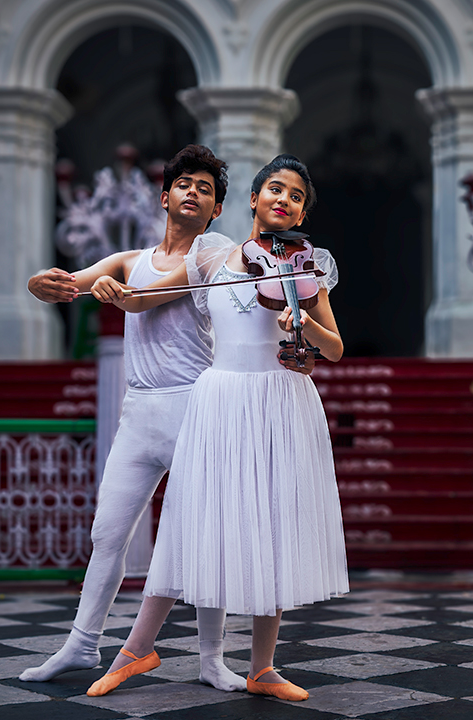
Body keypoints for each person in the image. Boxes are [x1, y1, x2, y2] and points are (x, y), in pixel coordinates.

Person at [20, 145, 312, 691]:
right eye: (184, 184)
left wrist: (116, 294)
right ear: (164, 196)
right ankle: (81, 645)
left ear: (217, 209)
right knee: (108, 532)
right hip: (138, 411)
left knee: (200, 533)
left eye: (205, 188)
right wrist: (44, 283)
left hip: (195, 408)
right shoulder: (128, 259)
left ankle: (211, 659)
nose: (193, 192)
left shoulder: (215, 253)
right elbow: (69, 282)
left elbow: (139, 299)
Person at [86, 154, 348, 701]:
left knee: (272, 526)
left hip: (279, 402)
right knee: (189, 519)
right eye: (275, 189)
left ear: (301, 212)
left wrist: (303, 324)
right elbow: (144, 298)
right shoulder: (210, 257)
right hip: (220, 400)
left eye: (296, 196)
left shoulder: (307, 267)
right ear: (253, 199)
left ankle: (262, 668)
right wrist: (110, 288)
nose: (284, 200)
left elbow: (334, 348)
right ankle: (136, 650)